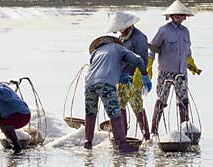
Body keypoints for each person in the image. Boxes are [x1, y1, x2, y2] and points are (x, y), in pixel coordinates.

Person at [83, 33, 150, 152]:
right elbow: (138, 60)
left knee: (91, 112)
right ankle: (122, 144)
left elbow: (102, 68)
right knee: (114, 113)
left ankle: (88, 142)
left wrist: (120, 76)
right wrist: (145, 75)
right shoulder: (119, 48)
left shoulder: (95, 52)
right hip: (106, 84)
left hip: (89, 84)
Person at [148, 1, 202, 135]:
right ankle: (153, 132)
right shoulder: (163, 30)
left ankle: (185, 131)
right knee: (161, 101)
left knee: (183, 102)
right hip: (165, 73)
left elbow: (187, 52)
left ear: (185, 17)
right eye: (176, 15)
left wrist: (192, 64)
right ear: (171, 16)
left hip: (181, 73)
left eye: (181, 15)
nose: (179, 17)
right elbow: (153, 48)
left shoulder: (186, 32)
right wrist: (149, 65)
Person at [107, 12, 153, 141]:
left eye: (120, 30)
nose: (119, 32)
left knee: (138, 108)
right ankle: (123, 134)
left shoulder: (139, 38)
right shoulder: (122, 38)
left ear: (127, 26)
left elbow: (143, 59)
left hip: (133, 78)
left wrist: (141, 77)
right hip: (121, 78)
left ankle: (146, 136)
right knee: (120, 107)